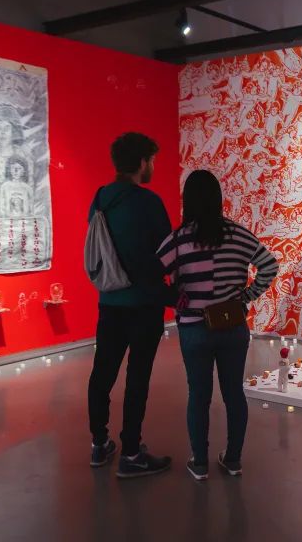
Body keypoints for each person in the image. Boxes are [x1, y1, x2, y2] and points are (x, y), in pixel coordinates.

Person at [157, 170, 278, 481]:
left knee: (198, 395)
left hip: (194, 328)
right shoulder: (239, 234)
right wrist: (247, 296)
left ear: (188, 202)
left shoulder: (179, 239)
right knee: (233, 394)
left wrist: (175, 300)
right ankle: (233, 460)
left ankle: (199, 463)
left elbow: (152, 272)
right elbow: (269, 265)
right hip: (233, 325)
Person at [87, 132, 175, 478]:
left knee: (102, 374)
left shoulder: (100, 198)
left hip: (109, 302)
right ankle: (132, 453)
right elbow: (167, 255)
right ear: (141, 163)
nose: (153, 166)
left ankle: (99, 445)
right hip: (144, 305)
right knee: (137, 377)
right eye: (152, 160)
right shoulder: (149, 202)